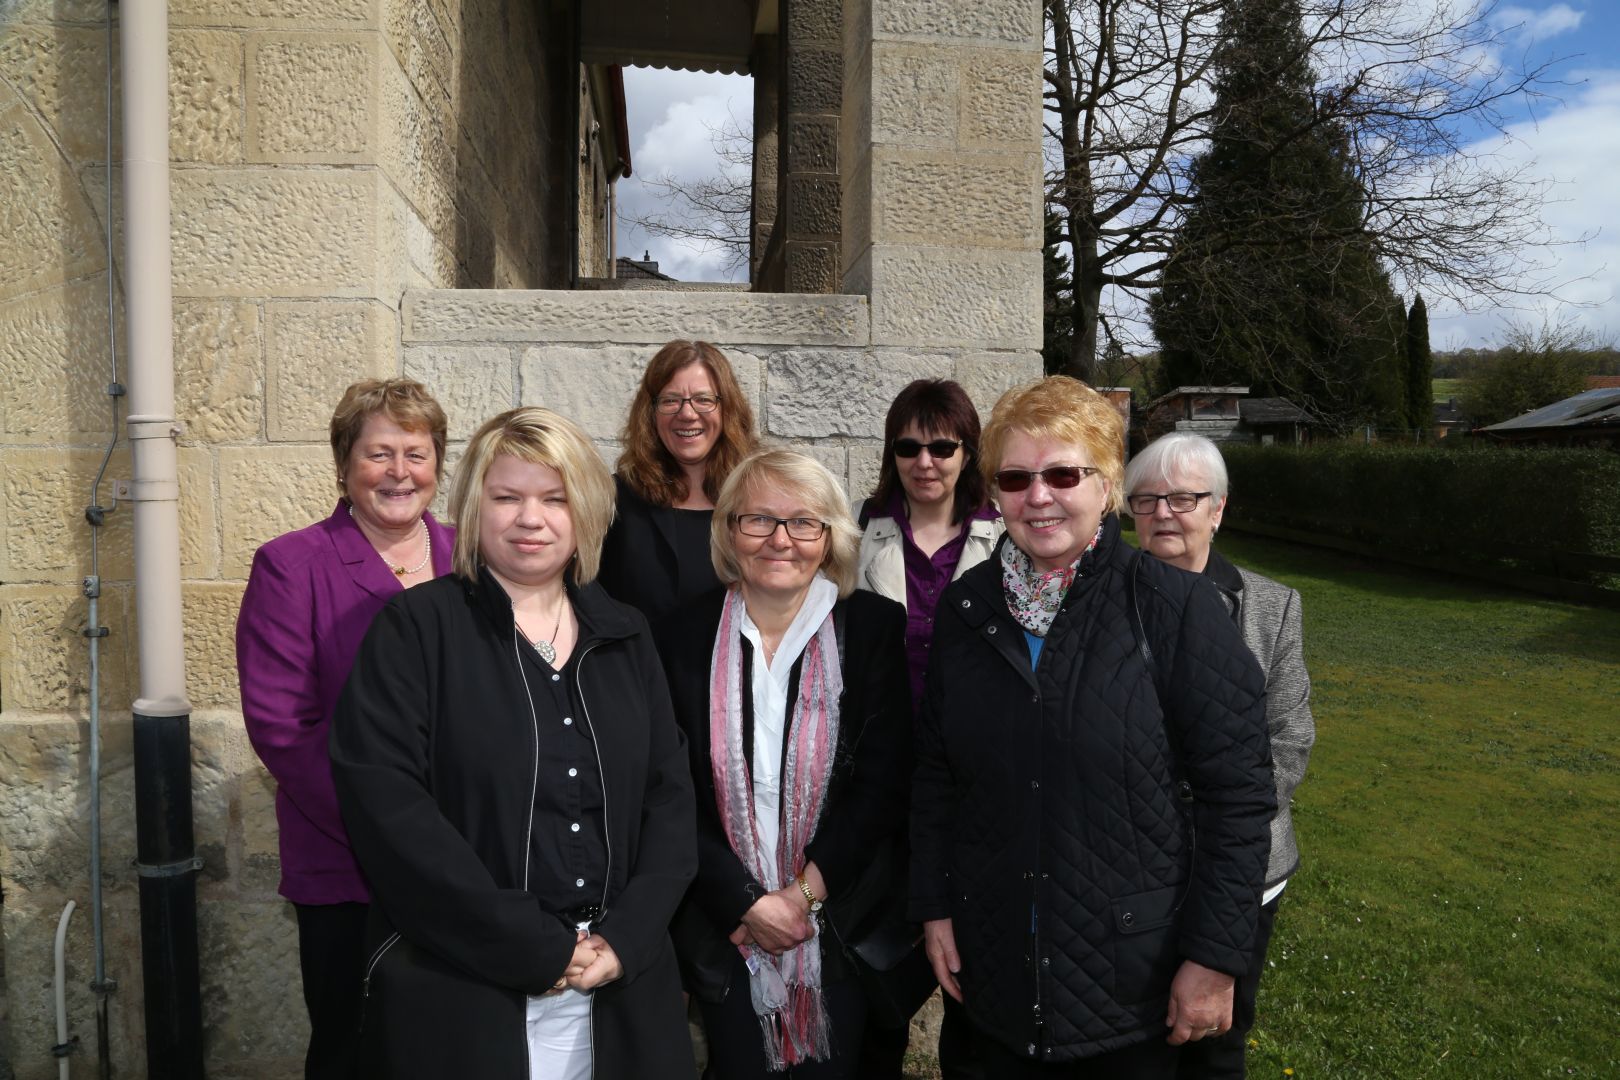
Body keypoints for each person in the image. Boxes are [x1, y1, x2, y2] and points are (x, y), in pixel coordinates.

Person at [910, 376, 1275, 1078]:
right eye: (1015, 477)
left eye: (1063, 474)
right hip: (992, 988)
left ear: (1106, 485)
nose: (1038, 496)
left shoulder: (1176, 610)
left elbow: (1239, 797)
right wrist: (933, 906)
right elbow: (936, 777)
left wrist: (1215, 958)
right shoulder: (967, 611)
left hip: (1125, 995)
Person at [329, 407, 697, 1080]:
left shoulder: (627, 635)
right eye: (507, 497)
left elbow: (669, 799)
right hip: (465, 990)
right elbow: (391, 812)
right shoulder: (416, 632)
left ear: (583, 510)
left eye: (554, 498)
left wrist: (628, 936)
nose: (532, 518)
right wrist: (534, 946)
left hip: (619, 989)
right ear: (475, 507)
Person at [655, 449, 912, 1080]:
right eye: (758, 520)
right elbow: (667, 790)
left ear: (829, 539)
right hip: (727, 929)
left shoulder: (874, 627)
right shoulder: (679, 635)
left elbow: (883, 783)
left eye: (804, 523)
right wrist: (746, 903)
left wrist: (800, 898)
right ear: (729, 532)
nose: (780, 540)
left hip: (840, 925)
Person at [235, 377, 452, 1080]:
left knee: (459, 1044)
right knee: (354, 1045)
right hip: (349, 862)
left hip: (473, 860)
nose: (399, 473)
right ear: (343, 465)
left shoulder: (474, 555)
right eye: (378, 454)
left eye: (416, 454)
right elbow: (283, 727)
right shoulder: (292, 566)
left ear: (438, 465)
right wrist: (398, 832)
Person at [1125, 432, 1315, 1080]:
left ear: (1218, 509)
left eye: (1183, 498)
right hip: (1131, 867)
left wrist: (1211, 823)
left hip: (1243, 867)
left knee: (1215, 1041)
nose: (1163, 513)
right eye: (1146, 499)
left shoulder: (1272, 606)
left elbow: (1289, 738)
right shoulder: (1106, 603)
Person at [854, 378, 1003, 708]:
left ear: (966, 456)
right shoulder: (852, 530)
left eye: (941, 449)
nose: (923, 463)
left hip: (967, 740)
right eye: (908, 448)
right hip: (877, 736)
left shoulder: (1005, 538)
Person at [599, 339, 759, 625]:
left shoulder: (759, 497)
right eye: (670, 400)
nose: (686, 414)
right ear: (651, 413)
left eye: (704, 400)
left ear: (727, 409)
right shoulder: (614, 501)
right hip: (640, 669)